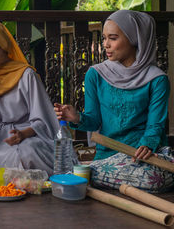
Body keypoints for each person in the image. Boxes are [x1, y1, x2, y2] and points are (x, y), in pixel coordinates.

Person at [54, 10, 174, 193]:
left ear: (135, 39)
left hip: (142, 156)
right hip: (107, 155)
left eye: (113, 38)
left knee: (153, 179)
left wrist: (146, 146)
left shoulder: (157, 80)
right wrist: (76, 117)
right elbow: (94, 121)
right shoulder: (96, 75)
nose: (106, 45)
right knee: (85, 172)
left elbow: (155, 126)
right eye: (104, 38)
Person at [0, 20, 60, 179]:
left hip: (31, 135)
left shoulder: (26, 75)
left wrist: (23, 134)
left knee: (28, 152)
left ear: (2, 45)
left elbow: (45, 119)